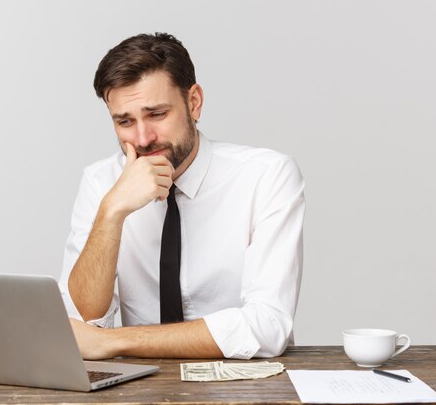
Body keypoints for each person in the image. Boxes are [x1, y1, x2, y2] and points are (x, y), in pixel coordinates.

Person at [58, 32, 305, 360]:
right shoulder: (101, 181)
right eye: (125, 121)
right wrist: (113, 210)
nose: (144, 138)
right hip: (140, 389)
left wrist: (116, 341)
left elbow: (268, 326)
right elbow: (83, 324)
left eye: (157, 114)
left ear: (194, 103)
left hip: (240, 385)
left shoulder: (266, 175)